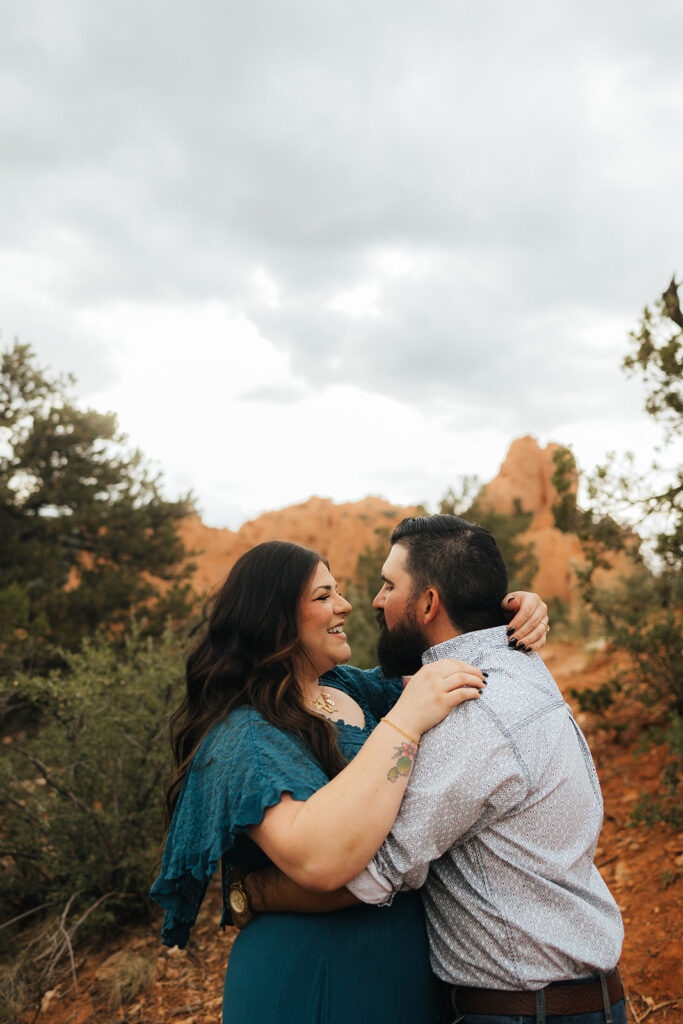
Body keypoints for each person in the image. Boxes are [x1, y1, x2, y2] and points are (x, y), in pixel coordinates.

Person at [150, 539, 548, 1024]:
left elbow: (450, 665)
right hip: (310, 978)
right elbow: (318, 859)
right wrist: (405, 721)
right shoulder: (244, 734)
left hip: (407, 975)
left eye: (337, 592)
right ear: (271, 617)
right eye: (322, 596)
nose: (345, 605)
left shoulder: (350, 688)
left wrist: (508, 612)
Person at [342, 515, 626, 1024]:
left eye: (389, 585)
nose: (376, 600)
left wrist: (255, 891)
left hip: (525, 1011)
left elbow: (376, 874)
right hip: (571, 1000)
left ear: (428, 603)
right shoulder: (518, 662)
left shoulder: (470, 709)